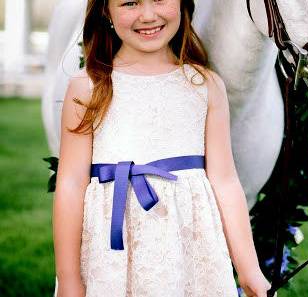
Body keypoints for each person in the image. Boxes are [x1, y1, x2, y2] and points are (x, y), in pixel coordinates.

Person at [52, 0, 272, 296]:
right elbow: (70, 184)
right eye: (130, 3)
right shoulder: (88, 87)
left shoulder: (204, 85)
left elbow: (225, 181)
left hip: (190, 255)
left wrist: (249, 269)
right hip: (112, 260)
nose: (147, 15)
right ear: (106, 10)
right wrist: (68, 280)